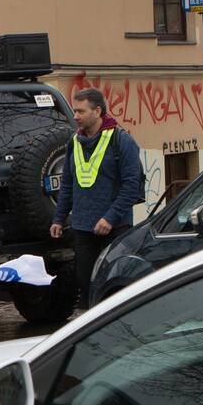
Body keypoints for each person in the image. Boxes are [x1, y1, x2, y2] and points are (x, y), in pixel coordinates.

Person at [51, 88, 141, 305]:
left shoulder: (121, 141)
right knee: (86, 282)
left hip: (115, 227)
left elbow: (132, 186)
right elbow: (68, 183)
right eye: (74, 111)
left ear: (97, 111)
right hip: (83, 226)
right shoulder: (74, 142)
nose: (75, 116)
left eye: (81, 111)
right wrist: (58, 218)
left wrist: (110, 218)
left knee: (115, 283)